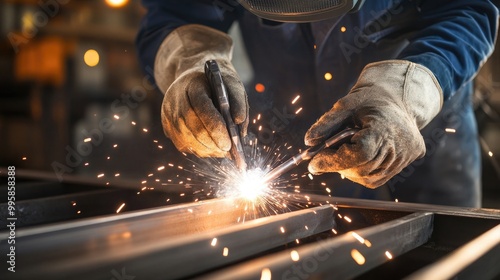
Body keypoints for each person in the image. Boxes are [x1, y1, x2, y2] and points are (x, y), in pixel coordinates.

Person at [136, 0, 499, 207]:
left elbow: (466, 11)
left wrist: (402, 97)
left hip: (422, 133)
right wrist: (189, 65)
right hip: (290, 125)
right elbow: (177, 13)